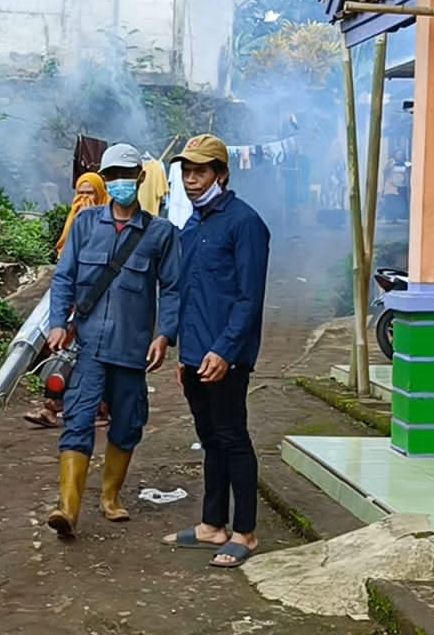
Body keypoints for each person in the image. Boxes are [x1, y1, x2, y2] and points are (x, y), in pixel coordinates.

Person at [45, 143, 181, 537]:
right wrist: (58, 322)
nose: (121, 182)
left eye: (127, 174)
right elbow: (64, 278)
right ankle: (67, 509)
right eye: (113, 176)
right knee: (78, 419)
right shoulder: (86, 224)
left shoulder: (161, 234)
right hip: (88, 348)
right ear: (105, 180)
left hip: (132, 349)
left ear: (139, 178)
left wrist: (165, 334)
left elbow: (171, 288)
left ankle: (110, 497)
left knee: (128, 422)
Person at [161, 135, 271, 568]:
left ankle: (245, 531)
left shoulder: (245, 224)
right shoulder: (194, 224)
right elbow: (187, 292)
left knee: (233, 438)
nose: (191, 180)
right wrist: (185, 355)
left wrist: (224, 351)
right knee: (209, 439)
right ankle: (211, 524)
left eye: (201, 172)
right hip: (196, 357)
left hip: (228, 357)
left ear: (221, 174)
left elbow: (249, 297)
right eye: (187, 172)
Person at [26, 172, 107, 429]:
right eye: (80, 193)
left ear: (100, 194)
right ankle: (52, 405)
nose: (84, 198)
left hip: (99, 301)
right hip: (72, 299)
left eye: (90, 193)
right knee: (61, 350)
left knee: (92, 353)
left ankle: (100, 407)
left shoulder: (108, 223)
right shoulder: (75, 220)